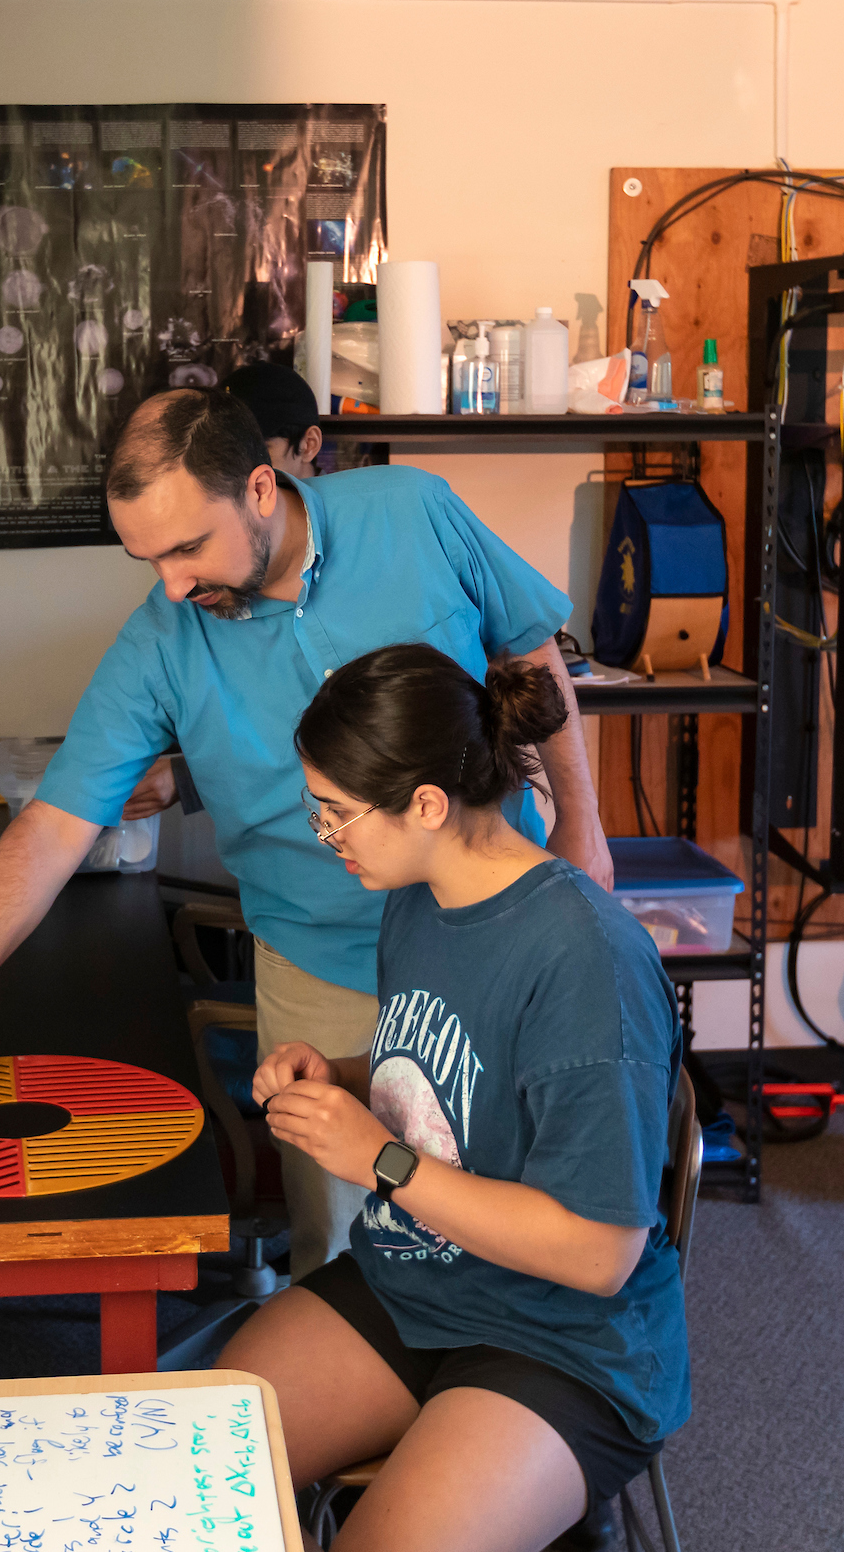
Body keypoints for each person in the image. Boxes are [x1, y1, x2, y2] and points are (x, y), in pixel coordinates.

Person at [0, 388, 615, 1280]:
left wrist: (583, 827)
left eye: (187, 548)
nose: (173, 586)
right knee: (349, 1256)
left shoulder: (412, 511)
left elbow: (529, 655)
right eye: (148, 560)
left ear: (262, 488)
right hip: (321, 962)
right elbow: (55, 825)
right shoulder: (161, 640)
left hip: (497, 934)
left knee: (521, 1222)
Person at [223, 643, 689, 1552]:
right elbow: (449, 1064)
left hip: (565, 1341)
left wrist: (379, 1159)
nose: (327, 835)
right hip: (418, 1280)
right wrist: (344, 1079)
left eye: (336, 813)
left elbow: (598, 1254)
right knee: (196, 1461)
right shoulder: (418, 894)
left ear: (427, 804)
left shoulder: (583, 958)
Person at [220, 359, 324, 478]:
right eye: (224, 453)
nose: (233, 467)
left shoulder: (344, 496)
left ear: (309, 445)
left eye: (258, 452)